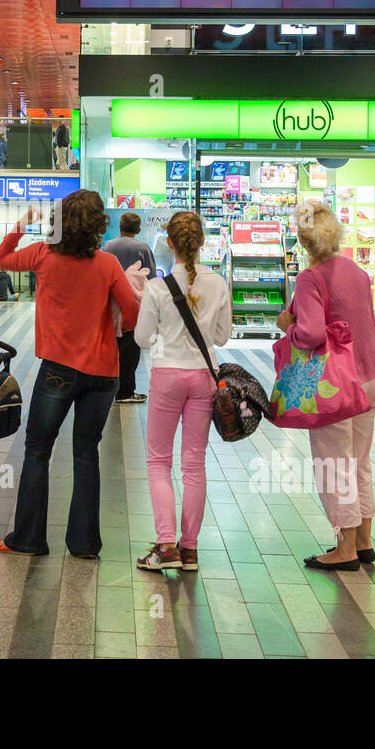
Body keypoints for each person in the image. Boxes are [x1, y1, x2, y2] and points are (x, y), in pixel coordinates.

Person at [0, 191, 140, 558]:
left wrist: (21, 225)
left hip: (58, 370)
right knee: (86, 454)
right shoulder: (107, 264)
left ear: (58, 223)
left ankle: (28, 539)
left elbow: (1, 260)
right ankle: (85, 545)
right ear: (97, 224)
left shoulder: (42, 254)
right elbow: (132, 316)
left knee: (38, 449)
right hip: (103, 373)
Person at [277, 201, 375, 572]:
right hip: (372, 377)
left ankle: (344, 549)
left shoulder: (312, 278)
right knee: (360, 461)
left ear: (304, 241)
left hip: (336, 384)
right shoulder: (356, 270)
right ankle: (365, 541)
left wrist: (286, 327)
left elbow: (309, 333)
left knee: (334, 464)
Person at [132, 211, 232, 571]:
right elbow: (221, 337)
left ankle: (165, 545)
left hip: (167, 376)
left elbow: (142, 339)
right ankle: (188, 549)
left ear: (169, 243)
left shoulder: (158, 288)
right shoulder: (218, 283)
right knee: (194, 464)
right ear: (203, 242)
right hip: (204, 377)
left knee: (159, 461)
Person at [103, 212, 157, 404]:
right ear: (138, 230)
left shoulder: (109, 246)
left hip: (111, 304)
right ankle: (126, 391)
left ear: (120, 227)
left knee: (112, 347)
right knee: (130, 349)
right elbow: (151, 277)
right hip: (134, 306)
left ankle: (109, 388)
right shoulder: (143, 247)